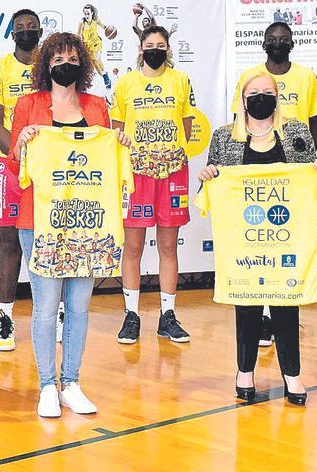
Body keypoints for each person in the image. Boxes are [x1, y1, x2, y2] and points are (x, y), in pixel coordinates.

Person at [199, 73, 317, 406]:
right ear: (242, 99)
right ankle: (244, 372)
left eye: (268, 92)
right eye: (254, 93)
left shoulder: (296, 133)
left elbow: (306, 180)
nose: (262, 97)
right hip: (245, 237)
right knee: (245, 300)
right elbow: (210, 188)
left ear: (278, 96)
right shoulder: (223, 137)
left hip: (284, 237)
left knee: (285, 303)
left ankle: (293, 374)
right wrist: (207, 178)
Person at [11, 31, 128, 417]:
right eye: (58, 57)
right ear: (46, 63)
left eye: (73, 57)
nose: (66, 63)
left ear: (84, 62)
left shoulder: (97, 106)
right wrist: (24, 142)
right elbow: (16, 164)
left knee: (79, 305)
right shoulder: (28, 105)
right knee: (46, 306)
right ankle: (47, 384)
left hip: (89, 223)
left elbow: (108, 157)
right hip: (40, 221)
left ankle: (71, 382)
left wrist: (120, 145)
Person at [232, 22, 317, 347]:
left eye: (283, 39)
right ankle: (261, 319)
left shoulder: (306, 77)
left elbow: (315, 123)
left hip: (292, 177)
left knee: (285, 241)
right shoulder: (250, 76)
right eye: (272, 39)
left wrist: (301, 165)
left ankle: (282, 313)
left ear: (292, 42)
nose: (278, 43)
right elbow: (238, 122)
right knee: (258, 242)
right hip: (255, 170)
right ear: (263, 43)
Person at [112, 25, 194, 345]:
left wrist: (166, 153)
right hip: (137, 174)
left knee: (168, 247)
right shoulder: (126, 84)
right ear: (141, 48)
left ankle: (167, 316)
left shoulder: (181, 81)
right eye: (150, 44)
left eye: (161, 45)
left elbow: (185, 127)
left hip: (172, 172)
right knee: (132, 247)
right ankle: (131, 315)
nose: (156, 49)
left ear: (168, 49)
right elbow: (116, 131)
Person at [0, 8, 41, 352]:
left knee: (47, 241)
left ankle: (53, 313)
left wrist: (42, 160)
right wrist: (20, 156)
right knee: (10, 244)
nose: (26, 32)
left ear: (40, 31)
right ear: (12, 33)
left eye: (32, 27)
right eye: (20, 28)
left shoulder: (49, 67)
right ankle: (5, 318)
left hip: (48, 169)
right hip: (9, 165)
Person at [77, 4, 112, 90]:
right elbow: (78, 34)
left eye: (88, 13)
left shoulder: (95, 20)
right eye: (85, 13)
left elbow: (105, 27)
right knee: (96, 65)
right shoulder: (82, 22)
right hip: (87, 46)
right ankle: (105, 76)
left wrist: (110, 30)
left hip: (96, 43)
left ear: (92, 13)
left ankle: (105, 75)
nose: (86, 15)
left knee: (96, 59)